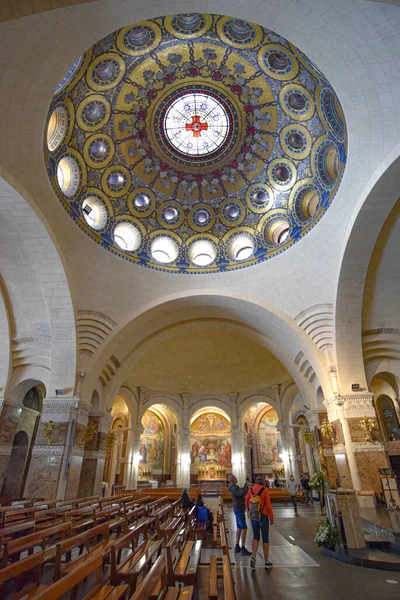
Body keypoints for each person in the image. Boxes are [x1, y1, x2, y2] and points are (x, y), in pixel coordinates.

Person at [245, 476, 274, 569]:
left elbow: (246, 502)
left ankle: (253, 556)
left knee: (255, 536)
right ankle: (266, 561)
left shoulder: (251, 489)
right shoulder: (264, 491)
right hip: (263, 516)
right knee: (265, 538)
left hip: (254, 516)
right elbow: (269, 506)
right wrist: (271, 518)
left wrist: (250, 511)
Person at [228, 474, 252, 556]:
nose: (236, 478)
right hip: (239, 508)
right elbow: (242, 493)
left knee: (239, 527)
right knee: (244, 527)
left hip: (238, 508)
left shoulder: (234, 487)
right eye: (234, 477)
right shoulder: (233, 488)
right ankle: (243, 548)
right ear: (232, 480)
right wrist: (246, 486)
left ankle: (237, 546)